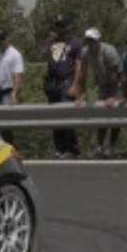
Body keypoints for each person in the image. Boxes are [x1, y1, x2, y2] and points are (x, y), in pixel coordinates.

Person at [72, 27, 124, 158]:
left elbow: (114, 75)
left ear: (98, 41)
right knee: (102, 115)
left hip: (117, 83)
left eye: (93, 40)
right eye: (88, 40)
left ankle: (112, 146)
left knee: (116, 115)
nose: (90, 43)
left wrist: (112, 96)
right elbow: (82, 74)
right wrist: (81, 94)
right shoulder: (85, 52)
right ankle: (100, 146)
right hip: (103, 84)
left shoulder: (108, 51)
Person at [41, 18, 83, 159]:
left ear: (68, 27)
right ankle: (59, 147)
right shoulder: (52, 43)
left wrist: (75, 85)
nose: (59, 29)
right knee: (55, 115)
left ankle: (71, 148)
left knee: (66, 113)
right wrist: (49, 42)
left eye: (62, 26)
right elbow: (43, 56)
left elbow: (78, 65)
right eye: (57, 26)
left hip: (66, 81)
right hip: (53, 81)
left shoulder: (74, 44)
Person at [0, 28, 25, 106]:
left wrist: (14, 94)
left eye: (2, 39)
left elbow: (17, 75)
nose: (0, 42)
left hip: (8, 92)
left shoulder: (15, 55)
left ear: (8, 38)